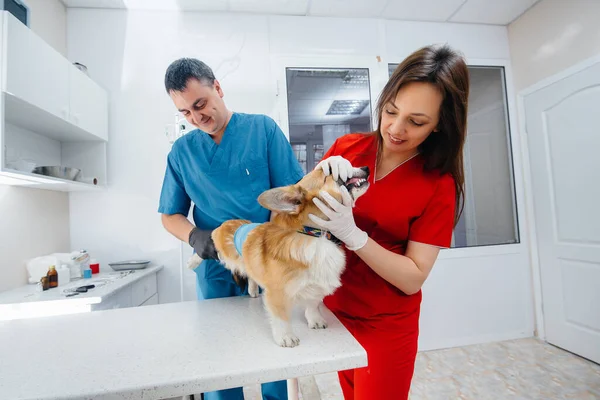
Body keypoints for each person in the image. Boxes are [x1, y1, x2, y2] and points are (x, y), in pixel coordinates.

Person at [308, 44, 469, 399]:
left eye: (416, 121)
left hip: (385, 321)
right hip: (336, 309)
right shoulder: (347, 148)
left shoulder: (438, 185)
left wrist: (353, 234)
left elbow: (413, 278)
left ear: (441, 123)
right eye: (391, 111)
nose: (395, 129)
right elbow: (307, 216)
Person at [158, 58, 304, 400]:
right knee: (220, 359)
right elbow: (170, 215)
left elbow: (293, 199)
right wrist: (195, 237)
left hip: (268, 262)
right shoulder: (182, 152)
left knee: (275, 348)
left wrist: (265, 244)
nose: (196, 118)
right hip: (216, 269)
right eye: (185, 113)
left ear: (218, 88)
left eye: (200, 104)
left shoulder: (263, 130)